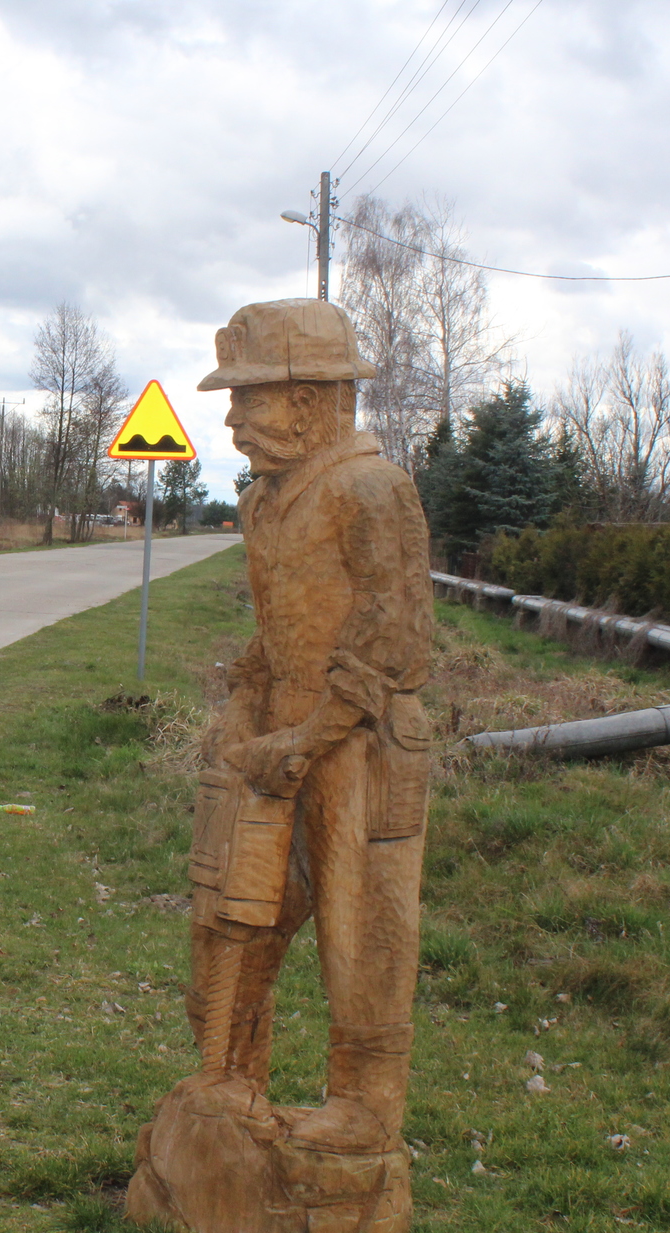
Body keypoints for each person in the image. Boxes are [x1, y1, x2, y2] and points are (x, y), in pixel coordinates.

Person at [188, 297, 433, 1157]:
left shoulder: (372, 489)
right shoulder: (264, 503)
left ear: (311, 397)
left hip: (358, 747)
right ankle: (230, 1077)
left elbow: (394, 636)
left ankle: (364, 1110)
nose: (233, 418)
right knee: (237, 913)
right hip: (277, 744)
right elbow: (279, 628)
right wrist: (248, 708)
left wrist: (310, 738)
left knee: (362, 927)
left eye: (250, 398)